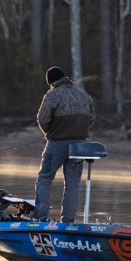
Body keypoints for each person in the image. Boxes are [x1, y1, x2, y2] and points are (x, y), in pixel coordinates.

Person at [32, 66, 96, 223]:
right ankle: (68, 221)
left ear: (51, 82)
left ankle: (41, 217)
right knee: (73, 184)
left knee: (45, 177)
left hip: (56, 144)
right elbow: (91, 118)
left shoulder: (52, 95)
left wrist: (51, 132)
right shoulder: (84, 95)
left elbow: (42, 119)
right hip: (79, 146)